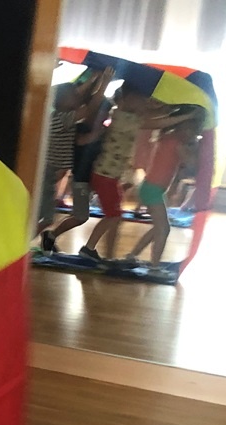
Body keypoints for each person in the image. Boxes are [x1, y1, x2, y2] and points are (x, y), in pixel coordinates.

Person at [78, 89, 193, 262]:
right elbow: (156, 122)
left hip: (110, 176)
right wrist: (185, 116)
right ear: (125, 100)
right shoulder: (123, 118)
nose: (143, 102)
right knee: (114, 217)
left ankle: (104, 254)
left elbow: (153, 115)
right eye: (138, 99)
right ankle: (90, 249)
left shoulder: (128, 115)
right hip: (105, 176)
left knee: (115, 218)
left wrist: (173, 108)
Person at [38, 68, 111, 241]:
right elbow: (90, 109)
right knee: (45, 218)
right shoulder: (61, 119)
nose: (79, 97)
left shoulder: (63, 115)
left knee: (44, 216)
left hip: (51, 174)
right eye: (74, 96)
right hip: (48, 173)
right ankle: (22, 246)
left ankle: (30, 242)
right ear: (64, 101)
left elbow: (74, 96)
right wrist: (104, 83)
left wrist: (93, 78)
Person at [123, 118, 201, 272]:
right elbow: (191, 164)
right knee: (164, 229)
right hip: (152, 189)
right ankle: (154, 266)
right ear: (182, 127)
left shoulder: (169, 137)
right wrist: (199, 148)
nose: (193, 134)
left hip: (153, 189)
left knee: (159, 228)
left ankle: (132, 255)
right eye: (192, 130)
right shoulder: (176, 143)